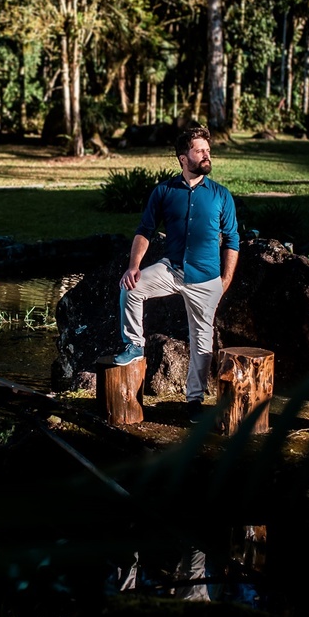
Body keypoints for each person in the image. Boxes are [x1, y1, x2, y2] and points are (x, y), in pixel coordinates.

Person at [115, 124, 240, 423]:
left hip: (207, 279)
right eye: (200, 151)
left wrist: (226, 280)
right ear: (183, 158)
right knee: (131, 287)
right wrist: (134, 267)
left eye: (208, 151)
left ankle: (194, 400)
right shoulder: (164, 191)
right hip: (171, 269)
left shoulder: (221, 195)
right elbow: (145, 231)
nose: (206, 156)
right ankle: (134, 345)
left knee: (202, 344)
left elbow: (232, 240)